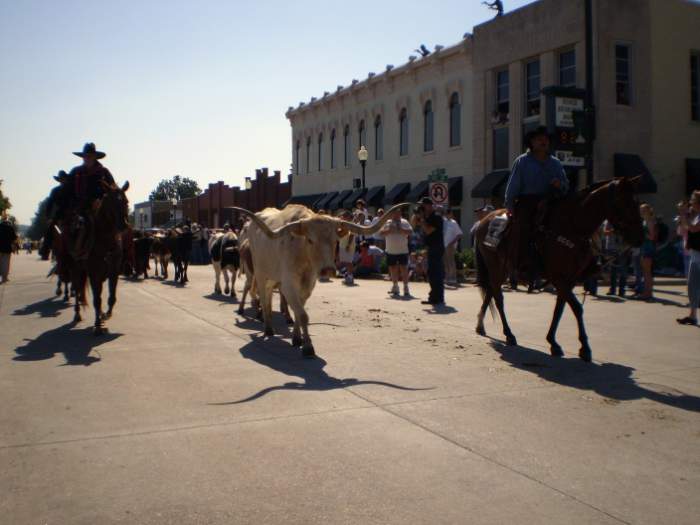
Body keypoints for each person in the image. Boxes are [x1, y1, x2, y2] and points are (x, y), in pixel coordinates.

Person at [504, 126, 569, 280]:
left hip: (552, 201)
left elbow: (566, 185)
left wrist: (560, 185)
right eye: (539, 139)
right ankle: (521, 265)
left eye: (545, 139)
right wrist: (510, 206)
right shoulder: (522, 161)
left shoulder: (555, 163)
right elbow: (513, 187)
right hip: (528, 201)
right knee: (523, 228)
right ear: (531, 142)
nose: (543, 141)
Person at [64, 143, 117, 258]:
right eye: (85, 156)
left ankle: (120, 258)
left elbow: (113, 190)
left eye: (90, 156)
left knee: (119, 227)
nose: (87, 158)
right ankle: (73, 254)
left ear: (95, 157)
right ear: (83, 157)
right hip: (80, 208)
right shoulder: (76, 172)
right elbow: (67, 191)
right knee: (76, 226)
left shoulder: (104, 172)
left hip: (101, 207)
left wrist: (101, 200)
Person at [413, 197, 445, 306]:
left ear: (429, 205)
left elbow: (428, 230)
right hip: (431, 247)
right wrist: (418, 217)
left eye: (423, 205)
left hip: (437, 247)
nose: (422, 208)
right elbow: (413, 225)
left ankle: (437, 298)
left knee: (436, 273)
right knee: (432, 273)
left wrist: (422, 219)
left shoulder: (436, 217)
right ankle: (434, 297)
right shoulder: (428, 217)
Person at [677, 190, 700, 325]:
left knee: (695, 285)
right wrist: (683, 215)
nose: (691, 202)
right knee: (692, 286)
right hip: (695, 253)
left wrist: (684, 215)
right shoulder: (696, 216)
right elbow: (686, 228)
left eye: (693, 200)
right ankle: (693, 316)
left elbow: (694, 229)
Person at [381, 207, 412, 297]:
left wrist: (401, 229)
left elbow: (410, 232)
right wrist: (389, 230)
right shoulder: (388, 222)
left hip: (402, 250)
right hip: (391, 250)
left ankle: (406, 287)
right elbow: (381, 233)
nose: (396, 215)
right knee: (393, 269)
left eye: (398, 213)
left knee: (404, 269)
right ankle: (395, 286)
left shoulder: (404, 222)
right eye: (394, 213)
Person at [635, 203, 657, 300]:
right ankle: (647, 292)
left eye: (643, 210)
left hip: (648, 247)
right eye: (640, 210)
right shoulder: (644, 221)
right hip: (644, 246)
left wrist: (642, 234)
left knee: (647, 272)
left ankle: (648, 293)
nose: (641, 212)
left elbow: (652, 237)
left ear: (648, 211)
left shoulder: (650, 221)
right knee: (645, 272)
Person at [603, 220, 629, 297]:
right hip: (611, 248)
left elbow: (629, 234)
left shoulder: (624, 220)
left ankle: (622, 290)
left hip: (622, 249)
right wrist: (612, 231)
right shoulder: (609, 221)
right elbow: (604, 232)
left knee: (623, 270)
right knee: (612, 270)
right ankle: (612, 289)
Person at [443, 209, 463, 286]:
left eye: (449, 213)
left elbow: (459, 234)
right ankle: (447, 277)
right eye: (446, 213)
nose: (447, 215)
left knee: (451, 262)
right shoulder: (444, 222)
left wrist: (452, 243)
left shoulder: (454, 223)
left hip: (450, 245)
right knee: (445, 262)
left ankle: (453, 278)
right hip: (444, 245)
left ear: (451, 214)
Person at [337, 211, 357, 285]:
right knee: (346, 261)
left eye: (344, 216)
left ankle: (350, 276)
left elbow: (351, 235)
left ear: (348, 217)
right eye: (343, 216)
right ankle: (348, 275)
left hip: (348, 245)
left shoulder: (351, 224)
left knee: (349, 262)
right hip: (342, 244)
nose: (343, 217)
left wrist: (348, 245)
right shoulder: (343, 224)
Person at [0, 216, 18, 284]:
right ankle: (4, 278)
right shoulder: (10, 228)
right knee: (6, 263)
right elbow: (14, 238)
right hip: (7, 248)